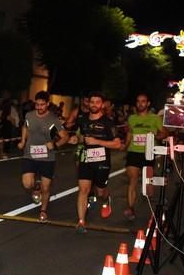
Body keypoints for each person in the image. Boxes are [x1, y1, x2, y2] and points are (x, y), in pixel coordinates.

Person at [68, 92, 120, 233]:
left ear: (102, 105)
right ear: (88, 103)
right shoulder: (82, 120)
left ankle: (106, 198)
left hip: (102, 162)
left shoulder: (108, 122)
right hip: (86, 159)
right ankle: (81, 222)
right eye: (92, 102)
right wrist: (75, 139)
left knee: (100, 191)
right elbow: (80, 136)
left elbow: (117, 144)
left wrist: (97, 141)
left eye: (98, 102)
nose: (94, 104)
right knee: (83, 190)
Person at [16, 91, 68, 222]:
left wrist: (55, 145)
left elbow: (65, 137)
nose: (39, 107)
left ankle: (43, 210)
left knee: (46, 187)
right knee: (27, 183)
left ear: (48, 104)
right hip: (30, 154)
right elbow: (25, 127)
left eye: (42, 105)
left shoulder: (53, 119)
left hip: (47, 157)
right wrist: (23, 141)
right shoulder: (29, 115)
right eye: (37, 104)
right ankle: (35, 188)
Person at [123, 93, 167, 220]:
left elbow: (164, 132)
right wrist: (125, 146)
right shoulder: (132, 118)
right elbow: (130, 133)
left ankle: (149, 196)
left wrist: (156, 137)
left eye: (143, 101)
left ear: (147, 104)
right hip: (133, 152)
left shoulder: (155, 118)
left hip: (148, 153)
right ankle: (130, 208)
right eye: (138, 101)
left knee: (147, 185)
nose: (140, 104)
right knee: (132, 180)